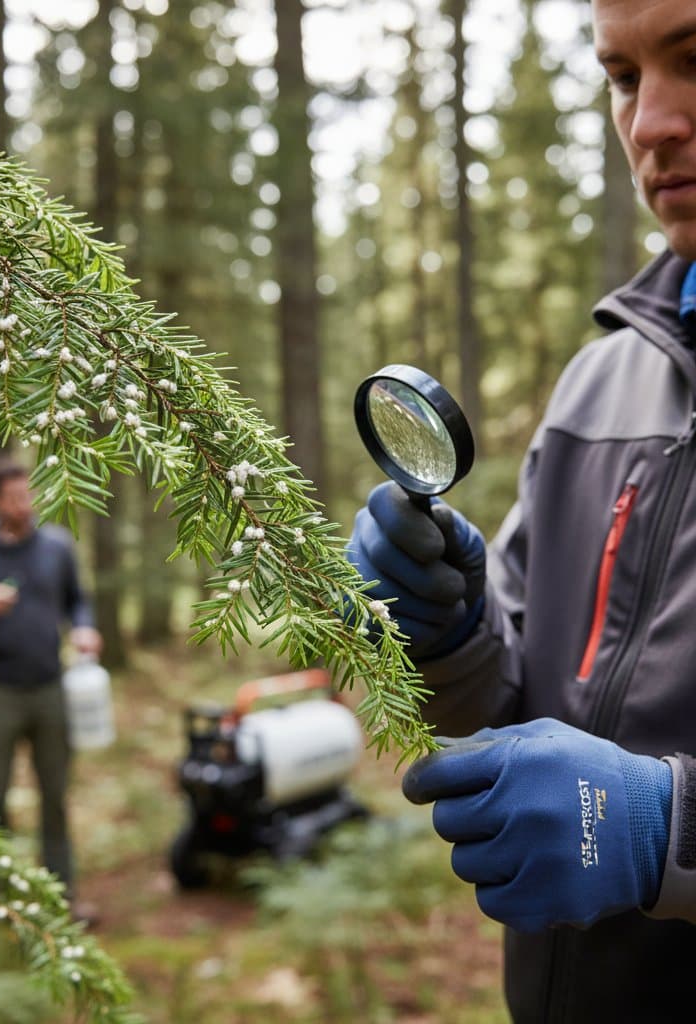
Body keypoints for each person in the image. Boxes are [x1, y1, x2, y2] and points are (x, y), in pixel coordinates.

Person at [346, 0, 696, 1019]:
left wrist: (664, 828)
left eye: (693, 59)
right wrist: (451, 629)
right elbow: (514, 700)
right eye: (625, 77)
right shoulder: (603, 382)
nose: (650, 124)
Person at [0, 460, 102, 916]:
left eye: (29, 494)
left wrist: (84, 629)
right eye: (12, 496)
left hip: (51, 689)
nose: (23, 504)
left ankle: (62, 898)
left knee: (55, 795)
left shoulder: (56, 546)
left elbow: (78, 601)